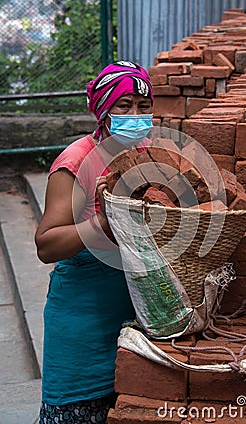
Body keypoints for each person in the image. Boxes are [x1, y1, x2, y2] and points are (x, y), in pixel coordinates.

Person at [35, 61, 154, 424]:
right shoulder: (75, 161)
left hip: (133, 314)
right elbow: (47, 245)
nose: (136, 115)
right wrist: (100, 221)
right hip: (82, 321)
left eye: (143, 106)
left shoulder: (145, 152)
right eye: (124, 106)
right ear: (104, 111)